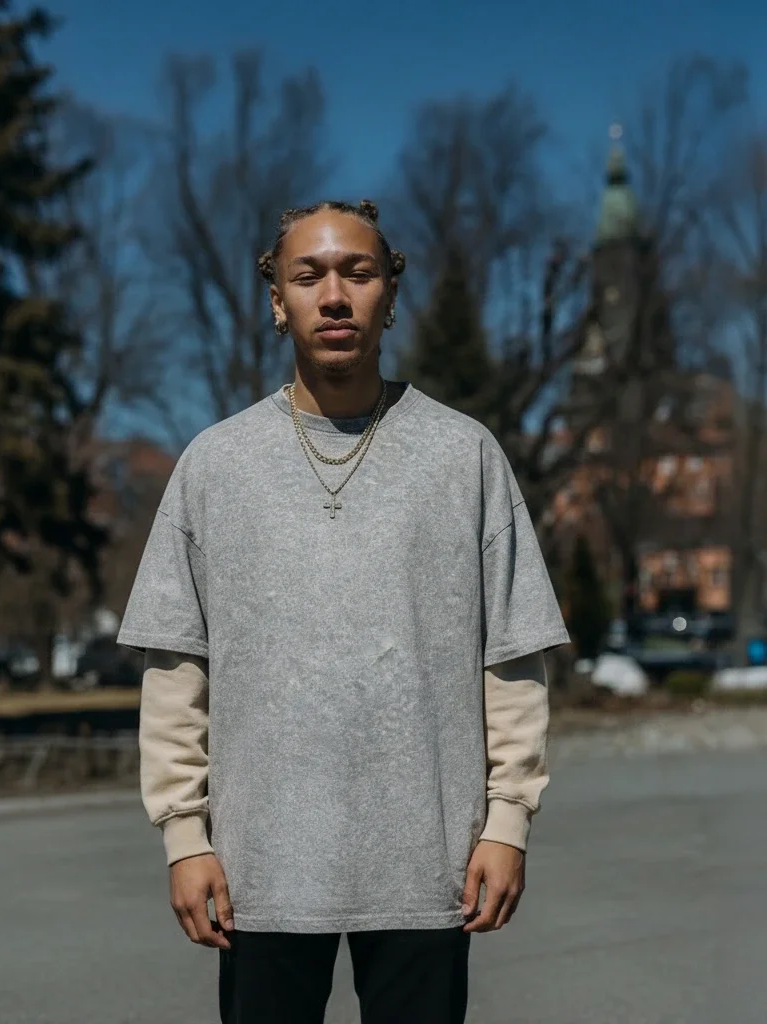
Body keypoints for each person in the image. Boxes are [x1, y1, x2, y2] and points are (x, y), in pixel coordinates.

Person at [118, 199, 570, 1024]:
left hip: (431, 867)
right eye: (309, 276)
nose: (334, 296)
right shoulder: (216, 464)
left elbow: (511, 657)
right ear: (277, 300)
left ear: (389, 295)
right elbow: (177, 666)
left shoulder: (463, 455)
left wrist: (508, 822)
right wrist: (184, 837)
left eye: (358, 274)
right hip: (259, 873)